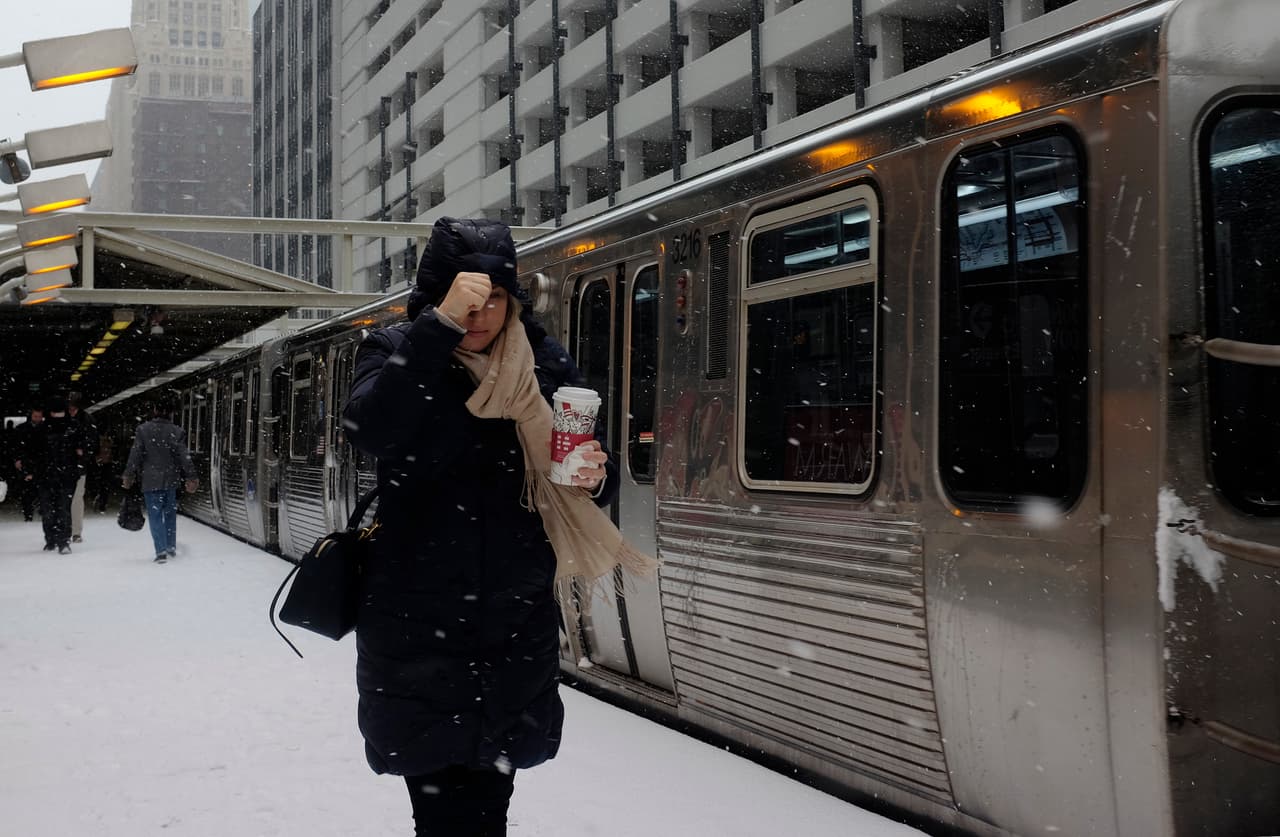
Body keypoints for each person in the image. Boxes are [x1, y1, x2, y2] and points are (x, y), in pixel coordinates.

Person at [342, 217, 654, 837]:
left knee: (489, 809)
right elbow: (371, 429)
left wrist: (596, 474)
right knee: (440, 810)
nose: (481, 315)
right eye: (466, 300)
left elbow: (580, 468)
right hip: (417, 623)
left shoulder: (540, 363)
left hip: (512, 624)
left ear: (513, 300)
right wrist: (438, 331)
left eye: (494, 300)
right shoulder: (394, 351)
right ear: (435, 297)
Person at [122, 391, 198, 563]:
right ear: (171, 412)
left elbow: (135, 455)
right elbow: (183, 456)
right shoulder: (177, 431)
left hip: (150, 481)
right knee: (170, 514)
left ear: (155, 410)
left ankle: (160, 551)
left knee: (155, 516)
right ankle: (170, 546)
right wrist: (191, 476)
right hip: (171, 480)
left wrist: (128, 475)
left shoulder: (143, 430)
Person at [23, 396, 80, 554]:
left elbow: (31, 451)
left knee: (55, 508)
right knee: (55, 509)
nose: (57, 417)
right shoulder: (70, 427)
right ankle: (55, 539)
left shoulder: (67, 427)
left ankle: (59, 539)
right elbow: (32, 451)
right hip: (54, 474)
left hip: (54, 474)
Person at [66, 391, 99, 543]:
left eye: (73, 406)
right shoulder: (86, 419)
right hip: (70, 464)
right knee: (71, 499)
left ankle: (75, 531)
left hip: (77, 465)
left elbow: (93, 443)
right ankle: (69, 529)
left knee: (76, 499)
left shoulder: (86, 420)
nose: (71, 409)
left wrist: (83, 451)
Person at [11, 407, 45, 522]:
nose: (38, 419)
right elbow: (15, 446)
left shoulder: (45, 428)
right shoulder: (21, 429)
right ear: (31, 416)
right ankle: (28, 514)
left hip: (40, 462)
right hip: (26, 461)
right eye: (36, 416)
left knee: (41, 488)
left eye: (39, 416)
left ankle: (42, 511)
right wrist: (17, 459)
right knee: (26, 490)